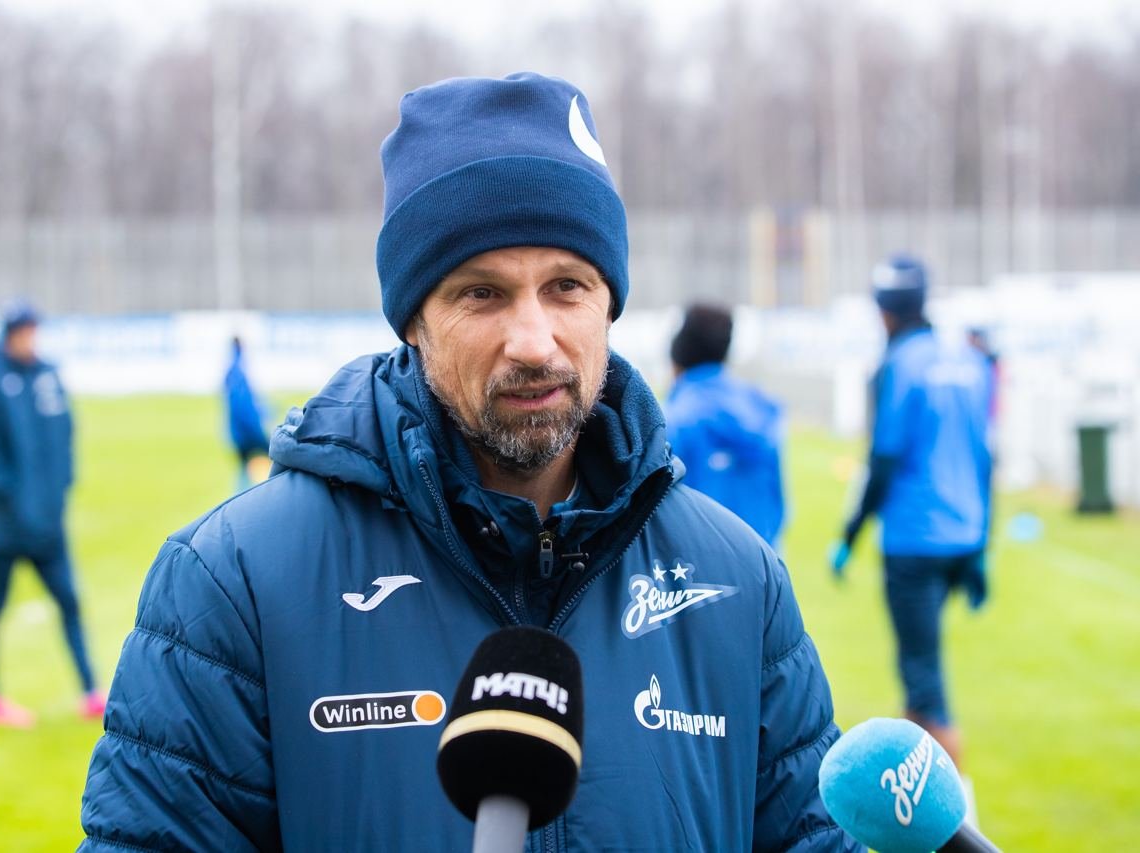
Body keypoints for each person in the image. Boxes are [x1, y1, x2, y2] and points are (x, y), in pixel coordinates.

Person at [79, 73, 858, 851]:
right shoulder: (238, 581)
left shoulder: (740, 581)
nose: (534, 341)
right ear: (413, 319)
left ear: (609, 303)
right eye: (482, 293)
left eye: (567, 286)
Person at [831, 254, 993, 772]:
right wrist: (982, 543)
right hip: (964, 535)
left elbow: (884, 457)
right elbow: (985, 456)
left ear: (884, 313)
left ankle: (954, 810)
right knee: (919, 671)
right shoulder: (969, 361)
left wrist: (850, 535)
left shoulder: (899, 364)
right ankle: (921, 799)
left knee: (924, 685)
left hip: (914, 537)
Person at [0, 300, 105, 727]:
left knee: (69, 601)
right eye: (24, 331)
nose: (31, 339)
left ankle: (90, 691)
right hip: (6, 526)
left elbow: (65, 434)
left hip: (48, 523)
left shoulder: (47, 374)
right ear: (10, 334)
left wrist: (60, 488)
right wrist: (10, 496)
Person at [665, 303, 786, 547]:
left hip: (697, 562)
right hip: (763, 557)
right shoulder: (761, 406)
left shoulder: (674, 420)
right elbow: (777, 500)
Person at [224, 336, 271, 491]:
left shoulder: (231, 370)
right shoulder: (239, 372)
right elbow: (244, 406)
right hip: (247, 432)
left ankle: (240, 496)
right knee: (274, 460)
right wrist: (257, 429)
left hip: (236, 432)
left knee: (244, 469)